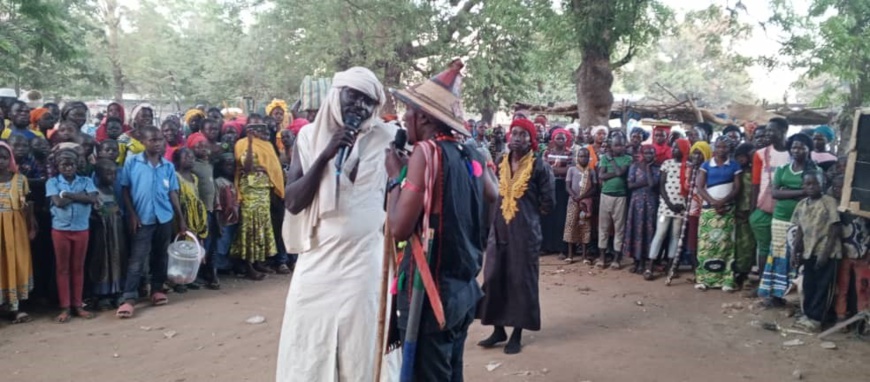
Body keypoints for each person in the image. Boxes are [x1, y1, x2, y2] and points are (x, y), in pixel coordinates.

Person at [277, 67, 392, 381]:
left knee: (361, 343)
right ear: (335, 93)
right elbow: (293, 201)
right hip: (318, 258)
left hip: (365, 261)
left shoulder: (388, 138)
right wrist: (326, 155)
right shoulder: (307, 137)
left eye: (368, 101)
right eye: (352, 95)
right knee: (309, 338)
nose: (359, 105)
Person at [386, 60, 497, 380]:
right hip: (461, 294)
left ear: (423, 117)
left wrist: (397, 178)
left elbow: (399, 229)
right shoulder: (471, 154)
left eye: (408, 111)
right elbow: (493, 193)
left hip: (430, 297)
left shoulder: (426, 152)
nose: (405, 118)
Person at [477, 117, 554, 355]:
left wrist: (527, 214)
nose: (517, 138)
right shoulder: (501, 161)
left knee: (521, 280)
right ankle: (498, 329)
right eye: (515, 133)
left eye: (523, 134)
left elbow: (549, 203)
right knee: (493, 276)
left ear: (532, 140)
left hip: (525, 233)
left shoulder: (540, 166)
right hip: (499, 229)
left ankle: (517, 334)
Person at [116, 125, 187, 319]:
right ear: (143, 142)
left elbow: (172, 192)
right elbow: (125, 190)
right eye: (152, 140)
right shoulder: (132, 163)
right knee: (137, 259)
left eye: (160, 140)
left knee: (160, 255)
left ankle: (157, 289)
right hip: (142, 218)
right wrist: (132, 214)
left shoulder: (168, 166)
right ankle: (129, 298)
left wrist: (180, 219)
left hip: (163, 217)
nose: (157, 143)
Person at [758, 133, 814, 307]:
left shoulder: (814, 171)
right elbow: (775, 193)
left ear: (808, 149)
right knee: (778, 254)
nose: (797, 150)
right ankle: (776, 295)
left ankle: (796, 297)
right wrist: (800, 192)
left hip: (803, 220)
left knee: (797, 256)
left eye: (801, 147)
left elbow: (813, 194)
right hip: (781, 217)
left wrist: (786, 191)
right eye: (794, 147)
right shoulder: (783, 169)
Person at [46, 149, 99, 322]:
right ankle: (65, 307)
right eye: (64, 164)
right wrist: (80, 196)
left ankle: (77, 305)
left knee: (78, 267)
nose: (68, 168)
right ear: (58, 166)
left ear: (77, 165)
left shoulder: (86, 180)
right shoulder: (52, 182)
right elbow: (58, 203)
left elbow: (92, 199)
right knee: (62, 268)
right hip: (60, 230)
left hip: (81, 229)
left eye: (71, 164)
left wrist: (68, 194)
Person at [229, 121, 284, 280]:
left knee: (262, 225)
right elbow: (246, 167)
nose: (263, 135)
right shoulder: (242, 144)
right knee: (249, 226)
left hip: (264, 190)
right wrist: (251, 143)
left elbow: (273, 167)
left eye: (264, 132)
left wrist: (264, 169)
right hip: (249, 191)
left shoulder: (267, 146)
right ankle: (248, 266)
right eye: (258, 131)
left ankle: (260, 261)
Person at [790, 170, 841, 332]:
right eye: (807, 184)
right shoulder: (802, 204)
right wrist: (794, 251)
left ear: (822, 185)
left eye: (815, 183)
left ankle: (817, 319)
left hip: (827, 252)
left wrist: (825, 254)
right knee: (809, 284)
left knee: (823, 287)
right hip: (808, 251)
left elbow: (835, 228)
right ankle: (808, 314)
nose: (811, 187)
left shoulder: (829, 202)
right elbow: (799, 230)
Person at [749, 118, 791, 297]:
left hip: (786, 209)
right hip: (763, 208)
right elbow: (755, 184)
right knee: (763, 247)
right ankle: (762, 285)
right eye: (767, 131)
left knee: (784, 249)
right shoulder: (760, 154)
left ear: (783, 131)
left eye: (772, 130)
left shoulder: (793, 152)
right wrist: (753, 211)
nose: (768, 134)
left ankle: (783, 287)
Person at [694, 137, 742, 291]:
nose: (722, 150)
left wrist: (723, 202)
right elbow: (699, 187)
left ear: (729, 149)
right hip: (709, 210)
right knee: (706, 244)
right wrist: (714, 202)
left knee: (726, 244)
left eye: (725, 147)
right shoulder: (706, 165)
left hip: (727, 210)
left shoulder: (734, 165)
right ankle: (703, 278)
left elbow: (736, 188)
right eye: (719, 147)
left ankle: (726, 280)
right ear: (714, 148)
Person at [0, 141, 37, 323]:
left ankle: (15, 308)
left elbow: (27, 205)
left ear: (10, 159)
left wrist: (32, 225)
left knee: (15, 263)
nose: (0, 161)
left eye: (4, 157)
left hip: (16, 230)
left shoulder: (20, 179)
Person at [644, 138, 690, 280]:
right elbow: (662, 186)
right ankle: (650, 266)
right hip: (666, 206)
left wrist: (682, 204)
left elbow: (689, 188)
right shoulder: (667, 164)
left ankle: (671, 267)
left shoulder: (689, 166)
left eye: (677, 148)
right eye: (673, 147)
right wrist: (670, 203)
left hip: (681, 207)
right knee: (660, 233)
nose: (674, 150)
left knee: (675, 236)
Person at [830, 175, 870, 328]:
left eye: (841, 187)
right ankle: (841, 317)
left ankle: (863, 318)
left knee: (863, 287)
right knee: (842, 287)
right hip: (843, 255)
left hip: (862, 254)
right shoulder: (834, 207)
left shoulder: (860, 206)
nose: (838, 190)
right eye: (835, 187)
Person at [88, 159, 127, 310]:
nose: (112, 177)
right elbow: (98, 212)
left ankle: (116, 292)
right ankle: (102, 294)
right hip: (102, 233)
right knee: (103, 262)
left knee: (117, 260)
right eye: (108, 173)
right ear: (98, 174)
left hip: (116, 232)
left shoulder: (112, 190)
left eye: (114, 173)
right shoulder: (94, 192)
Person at [186, 132, 220, 288]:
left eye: (205, 146)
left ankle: (211, 272)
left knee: (212, 241)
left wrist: (217, 202)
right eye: (198, 146)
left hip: (211, 208)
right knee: (199, 242)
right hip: (199, 211)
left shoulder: (209, 165)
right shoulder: (192, 166)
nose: (203, 149)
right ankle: (196, 274)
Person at [596, 132, 632, 269]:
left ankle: (617, 259)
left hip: (620, 196)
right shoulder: (604, 157)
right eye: (616, 145)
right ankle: (602, 257)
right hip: (605, 195)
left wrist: (611, 162)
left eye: (622, 145)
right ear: (611, 145)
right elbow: (601, 175)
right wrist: (612, 173)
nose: (619, 148)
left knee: (619, 228)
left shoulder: (627, 159)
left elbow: (620, 173)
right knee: (603, 228)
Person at [625, 145, 661, 274]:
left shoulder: (657, 168)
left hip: (651, 203)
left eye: (651, 153)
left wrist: (647, 169)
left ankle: (644, 262)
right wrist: (645, 181)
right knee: (636, 230)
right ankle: (636, 261)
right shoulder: (634, 166)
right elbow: (630, 185)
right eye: (646, 153)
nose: (648, 155)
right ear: (642, 153)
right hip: (636, 203)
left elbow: (653, 185)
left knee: (648, 231)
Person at [541, 128, 573, 255]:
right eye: (558, 138)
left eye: (563, 138)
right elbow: (544, 169)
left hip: (563, 187)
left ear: (566, 140)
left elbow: (569, 170)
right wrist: (560, 170)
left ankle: (561, 248)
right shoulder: (547, 152)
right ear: (553, 140)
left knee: (561, 217)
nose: (560, 141)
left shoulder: (570, 153)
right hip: (548, 187)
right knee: (547, 216)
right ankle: (546, 247)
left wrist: (552, 170)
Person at [564, 148, 597, 264]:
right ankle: (570, 255)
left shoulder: (591, 171)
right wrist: (574, 196)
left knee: (585, 226)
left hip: (586, 203)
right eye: (581, 156)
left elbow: (594, 188)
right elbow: (567, 186)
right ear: (577, 157)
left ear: (589, 158)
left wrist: (582, 197)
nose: (583, 158)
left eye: (586, 156)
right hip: (573, 201)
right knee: (571, 225)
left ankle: (584, 256)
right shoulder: (572, 170)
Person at [684, 141, 712, 271]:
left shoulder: (710, 168)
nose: (697, 157)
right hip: (693, 208)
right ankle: (694, 264)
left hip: (707, 206)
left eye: (700, 154)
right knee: (693, 235)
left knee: (705, 235)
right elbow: (686, 186)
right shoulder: (690, 169)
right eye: (694, 153)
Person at [733, 143, 757, 289]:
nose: (741, 160)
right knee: (736, 244)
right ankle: (736, 272)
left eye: (744, 157)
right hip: (736, 211)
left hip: (749, 211)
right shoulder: (735, 172)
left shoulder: (754, 171)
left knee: (748, 245)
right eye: (739, 157)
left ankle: (745, 272)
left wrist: (750, 210)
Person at [213, 153, 240, 273]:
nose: (230, 167)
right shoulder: (219, 182)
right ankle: (218, 267)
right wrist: (218, 224)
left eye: (232, 164)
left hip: (234, 219)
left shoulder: (235, 181)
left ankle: (226, 265)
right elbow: (217, 204)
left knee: (230, 242)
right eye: (227, 164)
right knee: (221, 244)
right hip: (224, 219)